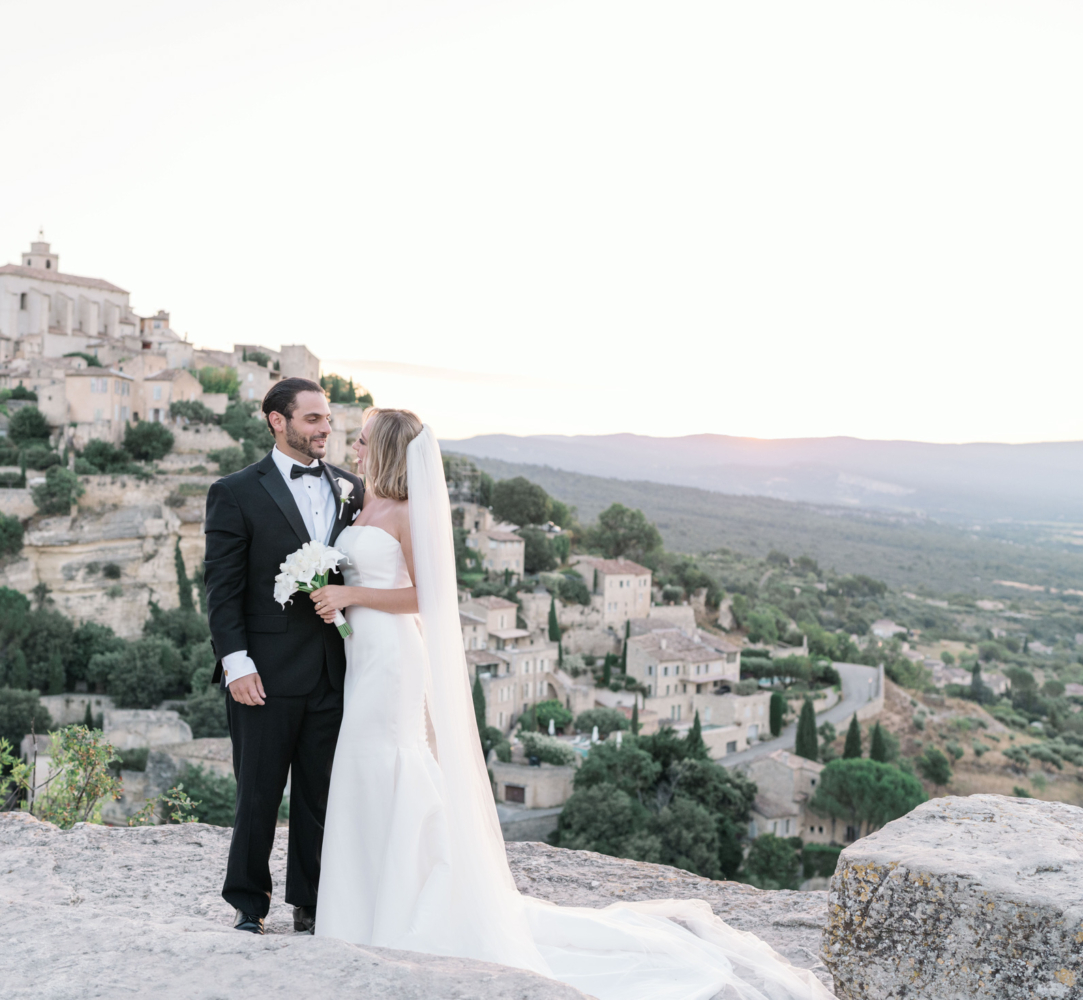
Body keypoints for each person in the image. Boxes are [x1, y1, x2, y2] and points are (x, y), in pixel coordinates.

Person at [306, 408, 835, 1000]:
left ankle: (405, 902)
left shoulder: (405, 512)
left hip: (396, 657)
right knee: (363, 762)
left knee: (389, 759)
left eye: (360, 439)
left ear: (385, 449)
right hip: (363, 655)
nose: (351, 446)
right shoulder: (361, 503)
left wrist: (349, 594)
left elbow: (429, 596)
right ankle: (365, 899)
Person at [202, 377, 364, 936]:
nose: (326, 428)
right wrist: (235, 664)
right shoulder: (236, 490)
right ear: (279, 421)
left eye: (327, 418)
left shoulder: (351, 488)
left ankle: (312, 902)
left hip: (333, 670)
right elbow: (221, 589)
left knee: (320, 794)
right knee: (259, 793)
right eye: (314, 418)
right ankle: (249, 902)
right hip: (263, 673)